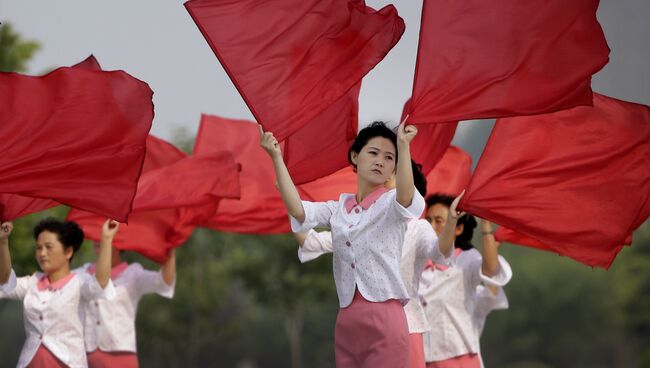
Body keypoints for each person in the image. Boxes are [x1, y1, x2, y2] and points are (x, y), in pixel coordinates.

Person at [260, 121, 458, 367]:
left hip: (386, 318)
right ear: (355, 156)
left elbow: (406, 196)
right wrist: (276, 157)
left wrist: (404, 146)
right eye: (373, 153)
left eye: (389, 158)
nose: (380, 161)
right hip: (347, 321)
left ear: (395, 167)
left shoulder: (392, 206)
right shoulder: (339, 208)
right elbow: (299, 211)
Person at [294, 160, 453, 368]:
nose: (385, 176)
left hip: (407, 326)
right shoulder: (360, 225)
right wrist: (290, 201)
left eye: (394, 173)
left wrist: (451, 223)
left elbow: (439, 252)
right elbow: (311, 242)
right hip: (364, 328)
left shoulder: (418, 228)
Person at [0, 218, 116, 368]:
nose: (42, 253)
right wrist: (3, 242)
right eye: (38, 247)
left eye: (49, 247)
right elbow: (4, 283)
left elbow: (100, 282)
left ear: (68, 252)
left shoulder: (79, 283)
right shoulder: (32, 283)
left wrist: (106, 239)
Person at [419, 194, 512, 368]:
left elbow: (490, 270)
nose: (431, 226)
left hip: (458, 357)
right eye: (428, 220)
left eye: (439, 221)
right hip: (420, 358)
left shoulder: (466, 260)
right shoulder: (417, 263)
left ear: (458, 228)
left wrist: (486, 227)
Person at [78, 236, 176, 368]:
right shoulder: (82, 274)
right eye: (96, 234)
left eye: (105, 235)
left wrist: (170, 247)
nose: (98, 239)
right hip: (85, 358)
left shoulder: (133, 275)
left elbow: (164, 282)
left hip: (121, 357)